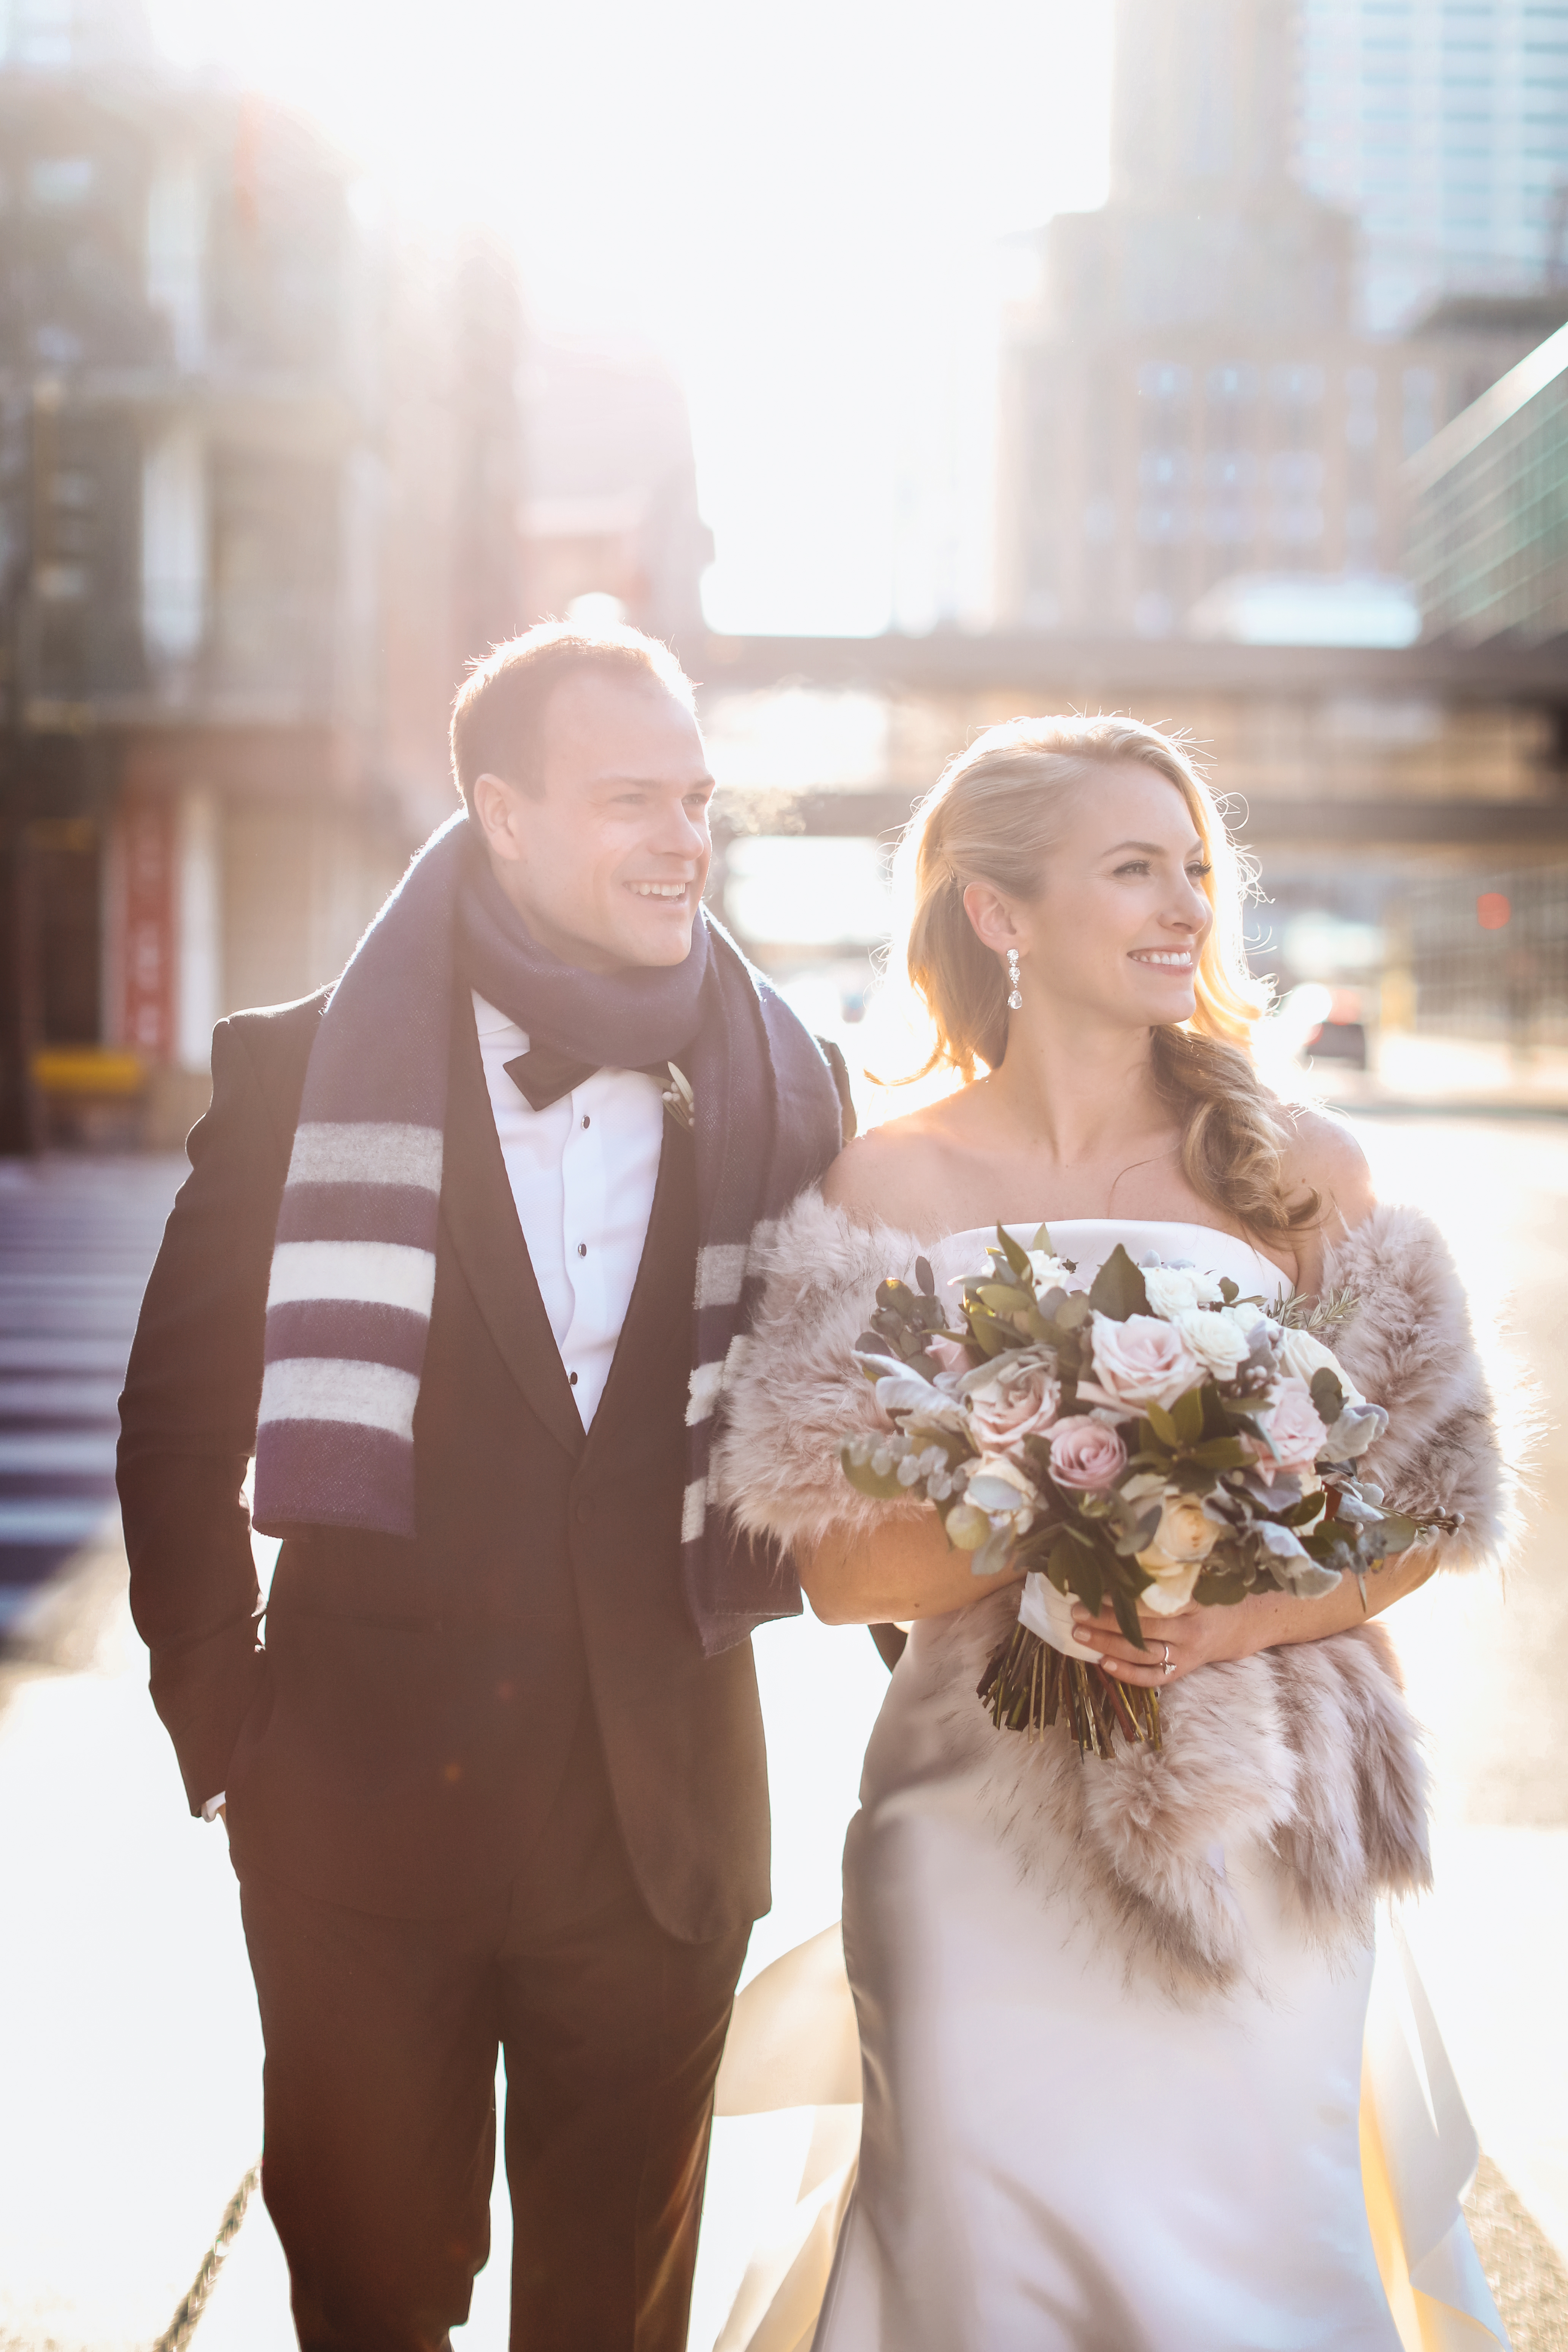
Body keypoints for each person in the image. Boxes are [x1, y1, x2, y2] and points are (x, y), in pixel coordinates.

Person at [710, 716, 1509, 2350]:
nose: (1185, 906)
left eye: (1196, 869)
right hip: (970, 1825)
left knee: (1247, 2270)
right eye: (1133, 868)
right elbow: (836, 1564)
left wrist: (1227, 1620)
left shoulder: (1298, 1172)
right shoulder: (883, 1184)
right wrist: (1072, 1498)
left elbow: (1428, 1509)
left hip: (1254, 1829)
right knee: (973, 2257)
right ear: (997, 914)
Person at [117, 622, 849, 2352]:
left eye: (697, 799)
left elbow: (859, 1423)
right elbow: (176, 1415)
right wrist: (225, 1719)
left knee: (612, 2328)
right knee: (371, 2305)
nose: (683, 838)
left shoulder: (785, 1088)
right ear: (501, 814)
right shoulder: (301, 1070)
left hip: (659, 1831)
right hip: (355, 1822)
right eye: (629, 801)